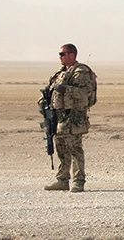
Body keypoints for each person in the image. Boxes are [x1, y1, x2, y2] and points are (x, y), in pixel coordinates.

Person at [41, 44, 97, 192]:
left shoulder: (80, 72)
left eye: (63, 54)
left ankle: (78, 181)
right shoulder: (60, 73)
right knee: (61, 148)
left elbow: (84, 93)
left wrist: (66, 89)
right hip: (59, 116)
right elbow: (51, 91)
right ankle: (62, 180)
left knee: (75, 149)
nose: (60, 57)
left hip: (74, 117)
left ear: (72, 55)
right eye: (60, 54)